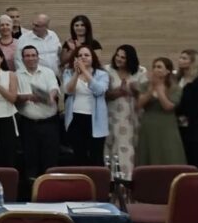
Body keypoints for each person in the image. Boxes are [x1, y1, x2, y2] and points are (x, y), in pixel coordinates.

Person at [15, 45, 61, 182]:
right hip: (28, 124)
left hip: (49, 123)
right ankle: (32, 191)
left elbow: (54, 88)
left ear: (38, 57)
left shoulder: (48, 72)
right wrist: (28, 97)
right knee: (30, 161)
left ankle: (50, 190)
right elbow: (14, 97)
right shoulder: (16, 75)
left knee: (50, 160)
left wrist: (50, 97)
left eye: (33, 55)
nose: (31, 58)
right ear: (23, 59)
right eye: (27, 56)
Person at [61, 44, 110, 166]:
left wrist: (84, 71)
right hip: (75, 118)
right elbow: (68, 90)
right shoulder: (68, 72)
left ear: (93, 57)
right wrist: (76, 74)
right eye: (80, 55)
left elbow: (99, 90)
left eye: (86, 55)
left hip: (95, 120)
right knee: (79, 155)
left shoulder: (102, 74)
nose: (83, 57)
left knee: (95, 156)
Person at [104, 45, 146, 180]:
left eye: (123, 57)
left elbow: (145, 94)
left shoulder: (140, 72)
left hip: (132, 117)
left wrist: (135, 90)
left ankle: (128, 180)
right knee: (113, 147)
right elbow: (103, 94)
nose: (119, 59)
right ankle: (113, 181)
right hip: (112, 116)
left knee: (129, 147)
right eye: (117, 55)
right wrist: (119, 92)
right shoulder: (107, 70)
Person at [136, 57, 187, 166]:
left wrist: (159, 89)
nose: (155, 69)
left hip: (167, 125)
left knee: (169, 153)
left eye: (159, 67)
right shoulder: (145, 85)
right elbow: (139, 105)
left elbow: (168, 106)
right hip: (148, 125)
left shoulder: (175, 88)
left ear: (168, 71)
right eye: (154, 67)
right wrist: (151, 89)